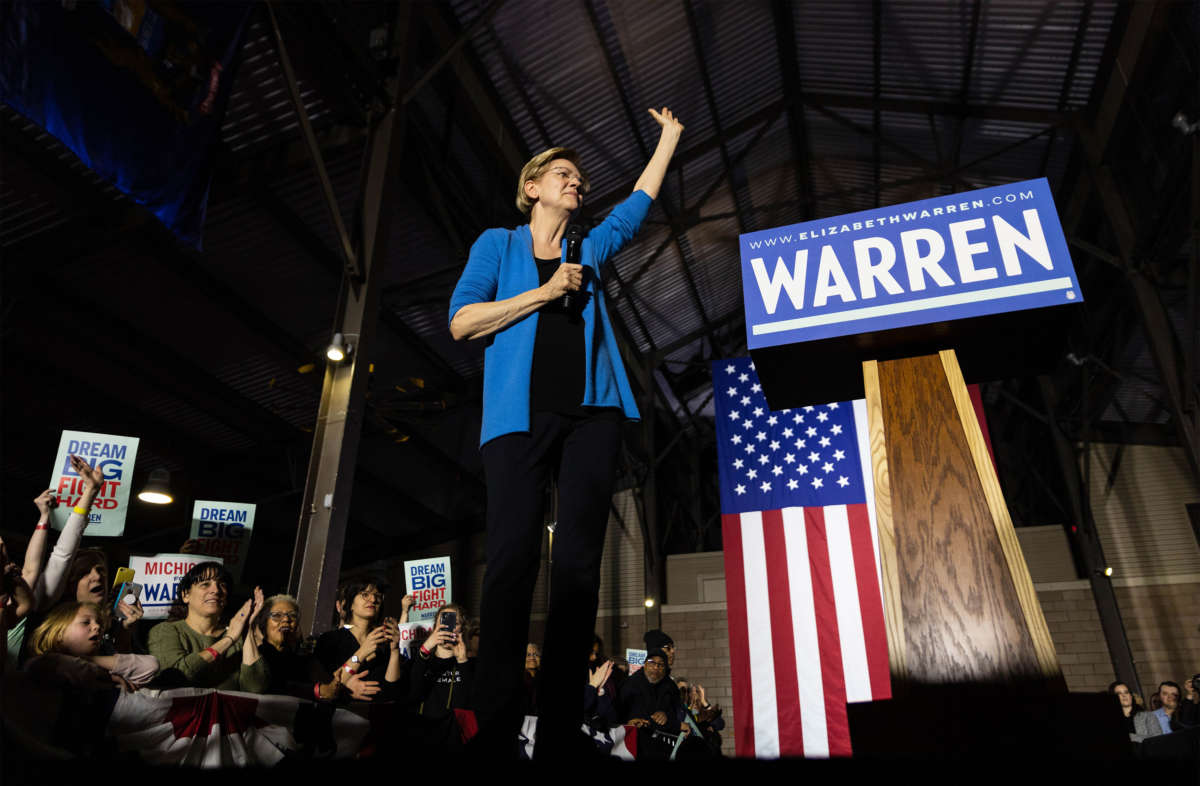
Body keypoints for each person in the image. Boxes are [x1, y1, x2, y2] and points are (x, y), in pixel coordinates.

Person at [450, 107, 684, 759]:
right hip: (516, 420)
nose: (576, 181)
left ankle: (557, 734)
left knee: (579, 568)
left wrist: (667, 140)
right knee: (512, 562)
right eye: (562, 173)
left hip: (592, 416)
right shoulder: (497, 246)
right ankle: (494, 727)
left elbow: (636, 206)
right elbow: (462, 322)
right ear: (532, 187)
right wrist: (545, 292)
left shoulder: (589, 247)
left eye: (579, 176)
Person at [147, 561, 269, 692]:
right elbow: (176, 676)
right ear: (185, 595)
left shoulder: (238, 638)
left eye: (222, 585)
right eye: (205, 584)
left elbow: (256, 688)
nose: (216, 590)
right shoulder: (166, 631)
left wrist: (247, 629)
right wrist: (227, 640)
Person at [25, 601, 158, 691]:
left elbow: (150, 666)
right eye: (85, 622)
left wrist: (88, 660)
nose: (97, 627)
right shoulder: (41, 663)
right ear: (58, 633)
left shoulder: (102, 661)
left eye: (99, 622)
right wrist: (105, 676)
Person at [314, 576, 403, 701]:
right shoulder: (330, 640)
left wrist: (394, 651)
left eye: (377, 596)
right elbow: (329, 687)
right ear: (351, 605)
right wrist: (362, 652)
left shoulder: (385, 642)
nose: (373, 599)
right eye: (365, 595)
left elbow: (392, 691)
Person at [409, 603, 474, 719]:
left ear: (462, 629)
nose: (449, 627)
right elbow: (413, 693)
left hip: (452, 731)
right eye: (444, 621)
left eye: (456, 623)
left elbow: (470, 701)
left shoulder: (469, 664)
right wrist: (425, 649)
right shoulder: (422, 659)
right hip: (423, 729)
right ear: (435, 627)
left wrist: (462, 661)